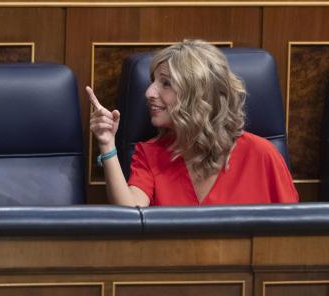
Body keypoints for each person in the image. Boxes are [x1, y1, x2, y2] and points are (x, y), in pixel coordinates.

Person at [86, 39, 298, 206]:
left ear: (199, 95)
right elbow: (130, 215)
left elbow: (292, 234)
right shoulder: (150, 154)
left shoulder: (262, 155)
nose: (149, 92)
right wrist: (107, 144)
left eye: (166, 83)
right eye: (153, 81)